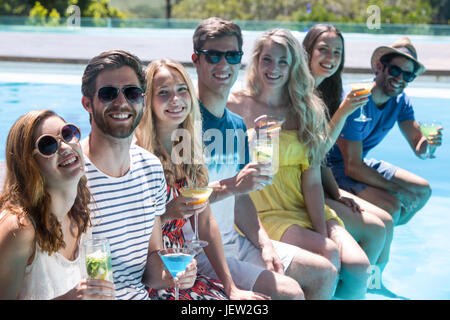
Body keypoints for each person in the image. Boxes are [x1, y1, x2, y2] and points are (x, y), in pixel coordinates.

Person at [192, 17, 339, 300]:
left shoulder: (235, 124)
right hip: (199, 249)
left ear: (240, 60)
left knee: (324, 273)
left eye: (232, 55)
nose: (224, 64)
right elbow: (179, 199)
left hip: (237, 240)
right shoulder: (186, 120)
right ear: (196, 59)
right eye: (213, 55)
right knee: (291, 293)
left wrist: (263, 243)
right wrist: (233, 186)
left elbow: (242, 198)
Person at [228, 28, 372, 299]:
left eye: (283, 61)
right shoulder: (234, 105)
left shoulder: (307, 109)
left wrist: (320, 230)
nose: (274, 68)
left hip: (304, 206)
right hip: (263, 210)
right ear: (256, 60)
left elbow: (313, 179)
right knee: (328, 252)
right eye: (267, 59)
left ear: (294, 66)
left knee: (360, 267)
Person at [135, 58, 268, 300]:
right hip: (148, 276)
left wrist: (231, 288)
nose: (175, 100)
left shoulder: (186, 149)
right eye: (163, 93)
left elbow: (206, 224)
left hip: (183, 271)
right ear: (148, 101)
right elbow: (127, 231)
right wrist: (166, 214)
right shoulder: (138, 154)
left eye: (182, 90)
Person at [80, 50, 197, 300]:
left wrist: (173, 275)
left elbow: (150, 263)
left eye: (132, 93)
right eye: (108, 93)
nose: (121, 103)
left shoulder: (151, 169)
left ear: (142, 101)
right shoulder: (71, 172)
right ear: (87, 103)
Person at [303, 24, 395, 296]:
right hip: (299, 189)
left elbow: (321, 161)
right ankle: (353, 290)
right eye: (323, 49)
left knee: (387, 221)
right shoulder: (298, 94)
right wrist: (343, 112)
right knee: (376, 230)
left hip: (317, 181)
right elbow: (313, 152)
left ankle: (374, 286)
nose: (330, 57)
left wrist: (337, 194)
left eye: (337, 52)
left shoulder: (327, 92)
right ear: (307, 51)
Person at [0, 110, 115, 300]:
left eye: (68, 134)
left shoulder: (80, 215)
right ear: (28, 165)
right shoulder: (20, 229)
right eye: (48, 145)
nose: (66, 147)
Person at [328, 37, 442, 226]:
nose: (400, 79)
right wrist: (396, 189)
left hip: (360, 162)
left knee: (423, 191)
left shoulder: (400, 101)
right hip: (333, 169)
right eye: (395, 70)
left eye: (408, 75)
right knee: (392, 205)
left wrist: (430, 145)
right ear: (380, 67)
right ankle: (372, 235)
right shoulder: (358, 100)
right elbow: (352, 166)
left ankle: (379, 234)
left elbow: (419, 147)